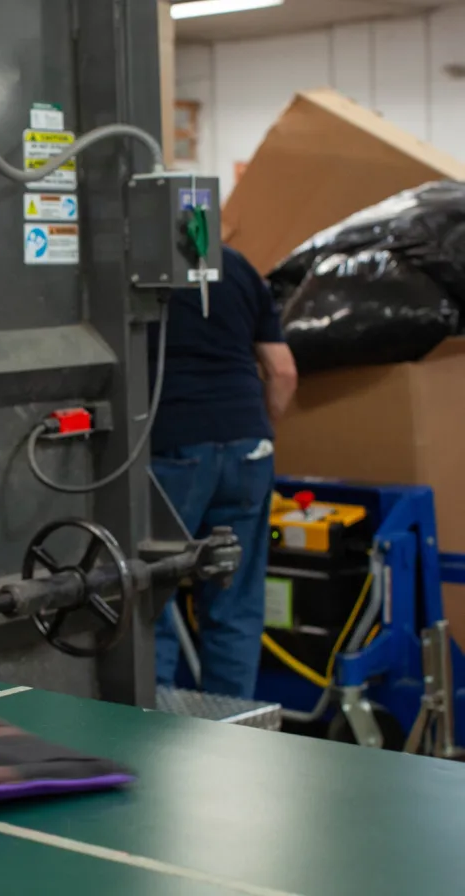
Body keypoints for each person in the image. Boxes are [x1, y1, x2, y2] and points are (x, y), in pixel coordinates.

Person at [150, 244, 298, 698]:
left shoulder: (136, 264)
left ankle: (147, 731)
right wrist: (258, 434)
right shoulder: (236, 265)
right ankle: (235, 736)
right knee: (235, 602)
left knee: (151, 600)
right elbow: (283, 371)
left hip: (173, 448)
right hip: (249, 449)